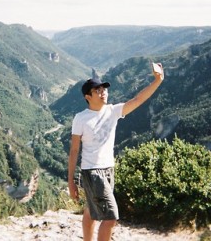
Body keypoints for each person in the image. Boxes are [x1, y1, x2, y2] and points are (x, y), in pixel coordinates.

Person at [68, 63, 164, 241]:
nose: (103, 92)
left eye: (104, 89)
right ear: (88, 96)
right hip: (92, 171)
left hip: (108, 170)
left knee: (91, 209)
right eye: (97, 90)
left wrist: (157, 81)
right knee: (110, 218)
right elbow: (74, 150)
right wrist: (71, 182)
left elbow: (137, 100)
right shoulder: (80, 119)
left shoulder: (112, 111)